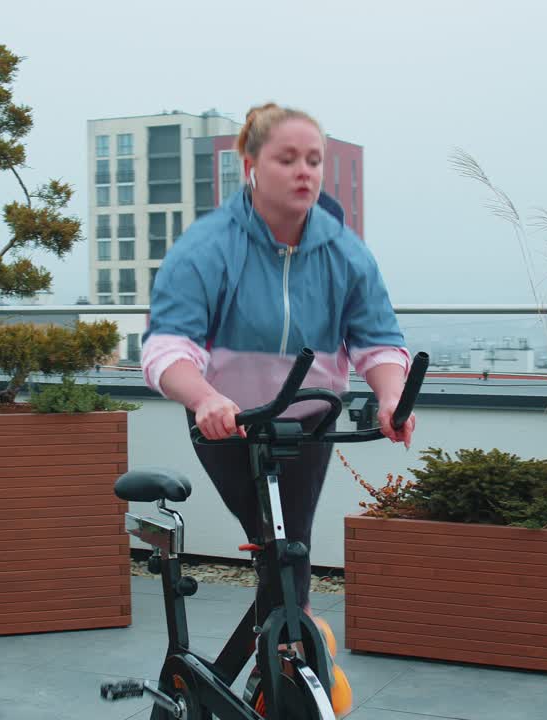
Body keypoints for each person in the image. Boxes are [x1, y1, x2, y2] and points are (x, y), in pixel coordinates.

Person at [140, 102, 415, 716]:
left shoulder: (344, 252)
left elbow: (377, 341)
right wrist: (205, 396)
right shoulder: (209, 246)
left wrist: (391, 395)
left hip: (307, 420)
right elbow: (167, 348)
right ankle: (293, 653)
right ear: (251, 164)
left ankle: (286, 659)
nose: (304, 171)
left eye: (313, 160)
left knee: (288, 551)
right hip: (226, 421)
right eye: (287, 158)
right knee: (277, 550)